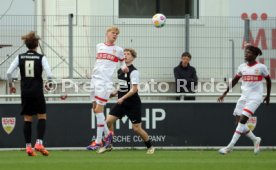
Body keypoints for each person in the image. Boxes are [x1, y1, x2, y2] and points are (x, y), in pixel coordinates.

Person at [97, 48, 155, 154]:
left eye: (128, 54)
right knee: (108, 121)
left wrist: (123, 98)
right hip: (121, 103)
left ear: (133, 57)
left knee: (136, 129)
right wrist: (114, 93)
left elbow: (134, 89)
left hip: (133, 104)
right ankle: (109, 144)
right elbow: (122, 85)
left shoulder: (134, 71)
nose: (126, 55)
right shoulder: (120, 70)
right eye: (124, 54)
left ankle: (150, 147)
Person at [218, 45, 271, 155]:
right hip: (244, 96)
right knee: (238, 121)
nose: (246, 54)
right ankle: (255, 139)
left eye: (249, 52)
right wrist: (224, 93)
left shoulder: (261, 67)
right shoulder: (242, 67)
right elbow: (235, 80)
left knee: (242, 121)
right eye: (245, 52)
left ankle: (229, 147)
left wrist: (268, 96)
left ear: (255, 55)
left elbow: (268, 80)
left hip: (255, 97)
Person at [6, 32, 53, 156]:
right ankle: (39, 142)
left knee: (27, 118)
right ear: (37, 45)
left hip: (25, 91)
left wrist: (11, 85)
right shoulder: (41, 57)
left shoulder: (19, 57)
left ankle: (28, 147)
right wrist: (50, 82)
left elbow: (9, 73)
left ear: (26, 45)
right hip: (37, 91)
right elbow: (49, 74)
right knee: (42, 116)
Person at [87, 26, 128, 151]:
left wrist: (124, 67)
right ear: (107, 33)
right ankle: (103, 137)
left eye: (116, 34)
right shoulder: (99, 46)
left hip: (104, 82)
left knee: (99, 109)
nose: (115, 35)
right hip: (94, 80)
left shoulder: (119, 50)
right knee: (95, 108)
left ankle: (103, 137)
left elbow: (123, 62)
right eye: (113, 33)